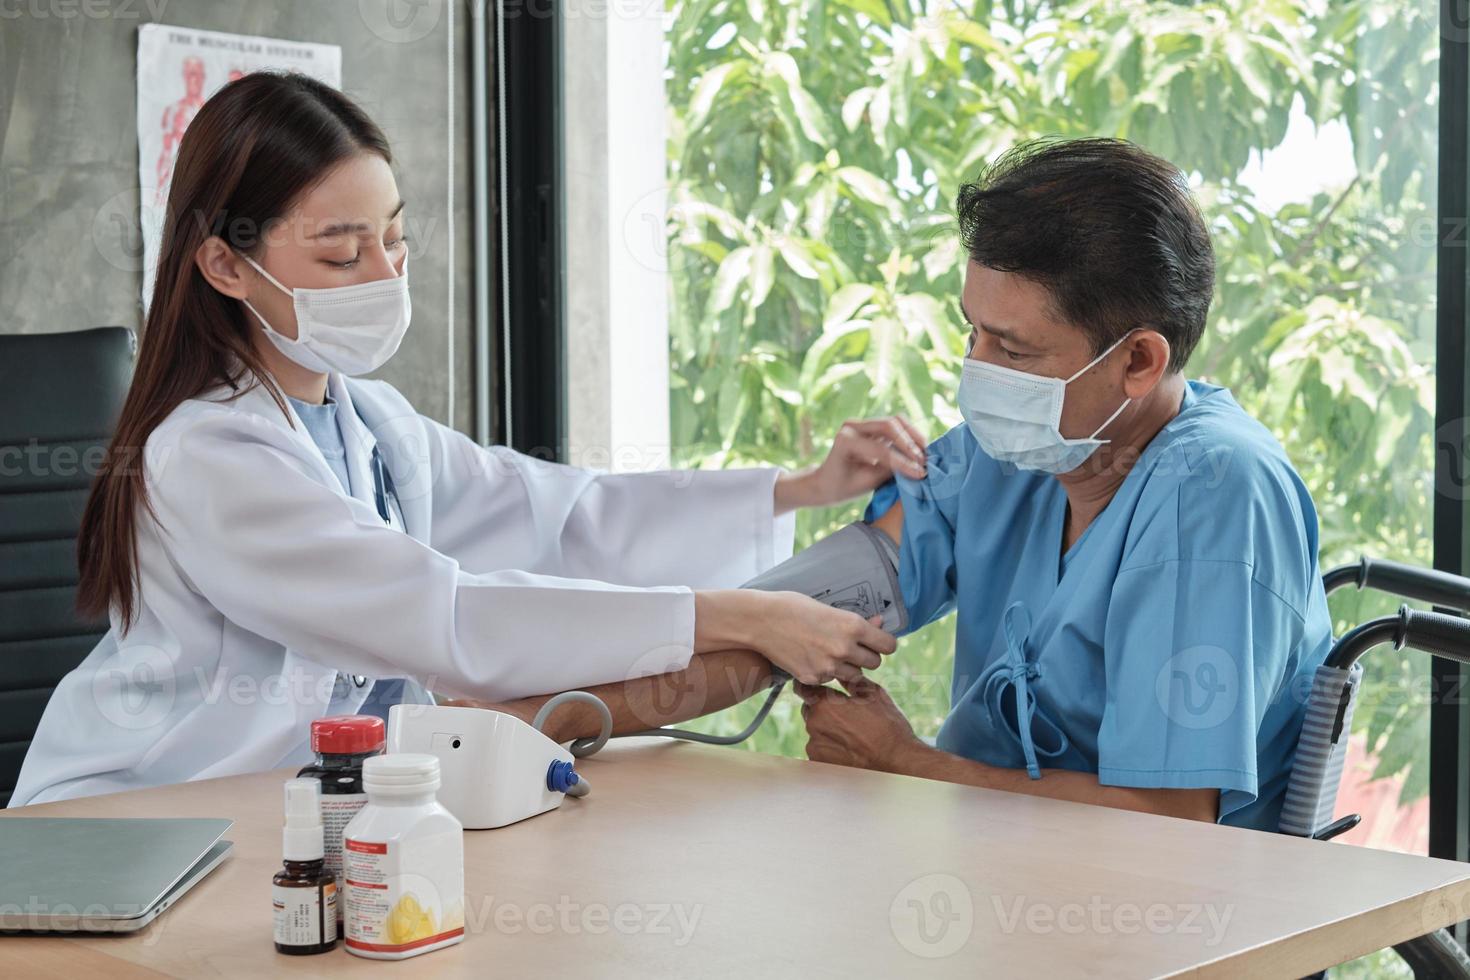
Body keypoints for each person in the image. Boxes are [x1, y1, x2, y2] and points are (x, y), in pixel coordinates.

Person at [9, 72, 928, 807]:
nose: (384, 274)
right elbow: (443, 618)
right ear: (223, 264)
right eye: (341, 253)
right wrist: (739, 614)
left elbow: (566, 514)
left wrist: (801, 488)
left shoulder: (371, 422)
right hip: (152, 810)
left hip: (301, 805)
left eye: (396, 240)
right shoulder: (207, 456)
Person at [473, 138, 1334, 833]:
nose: (976, 372)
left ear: (1140, 360)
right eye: (972, 333)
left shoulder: (1214, 495)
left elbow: (1168, 828)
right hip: (996, 874)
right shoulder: (1015, 457)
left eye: (1013, 350)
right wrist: (509, 723)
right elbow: (783, 631)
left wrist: (906, 764)